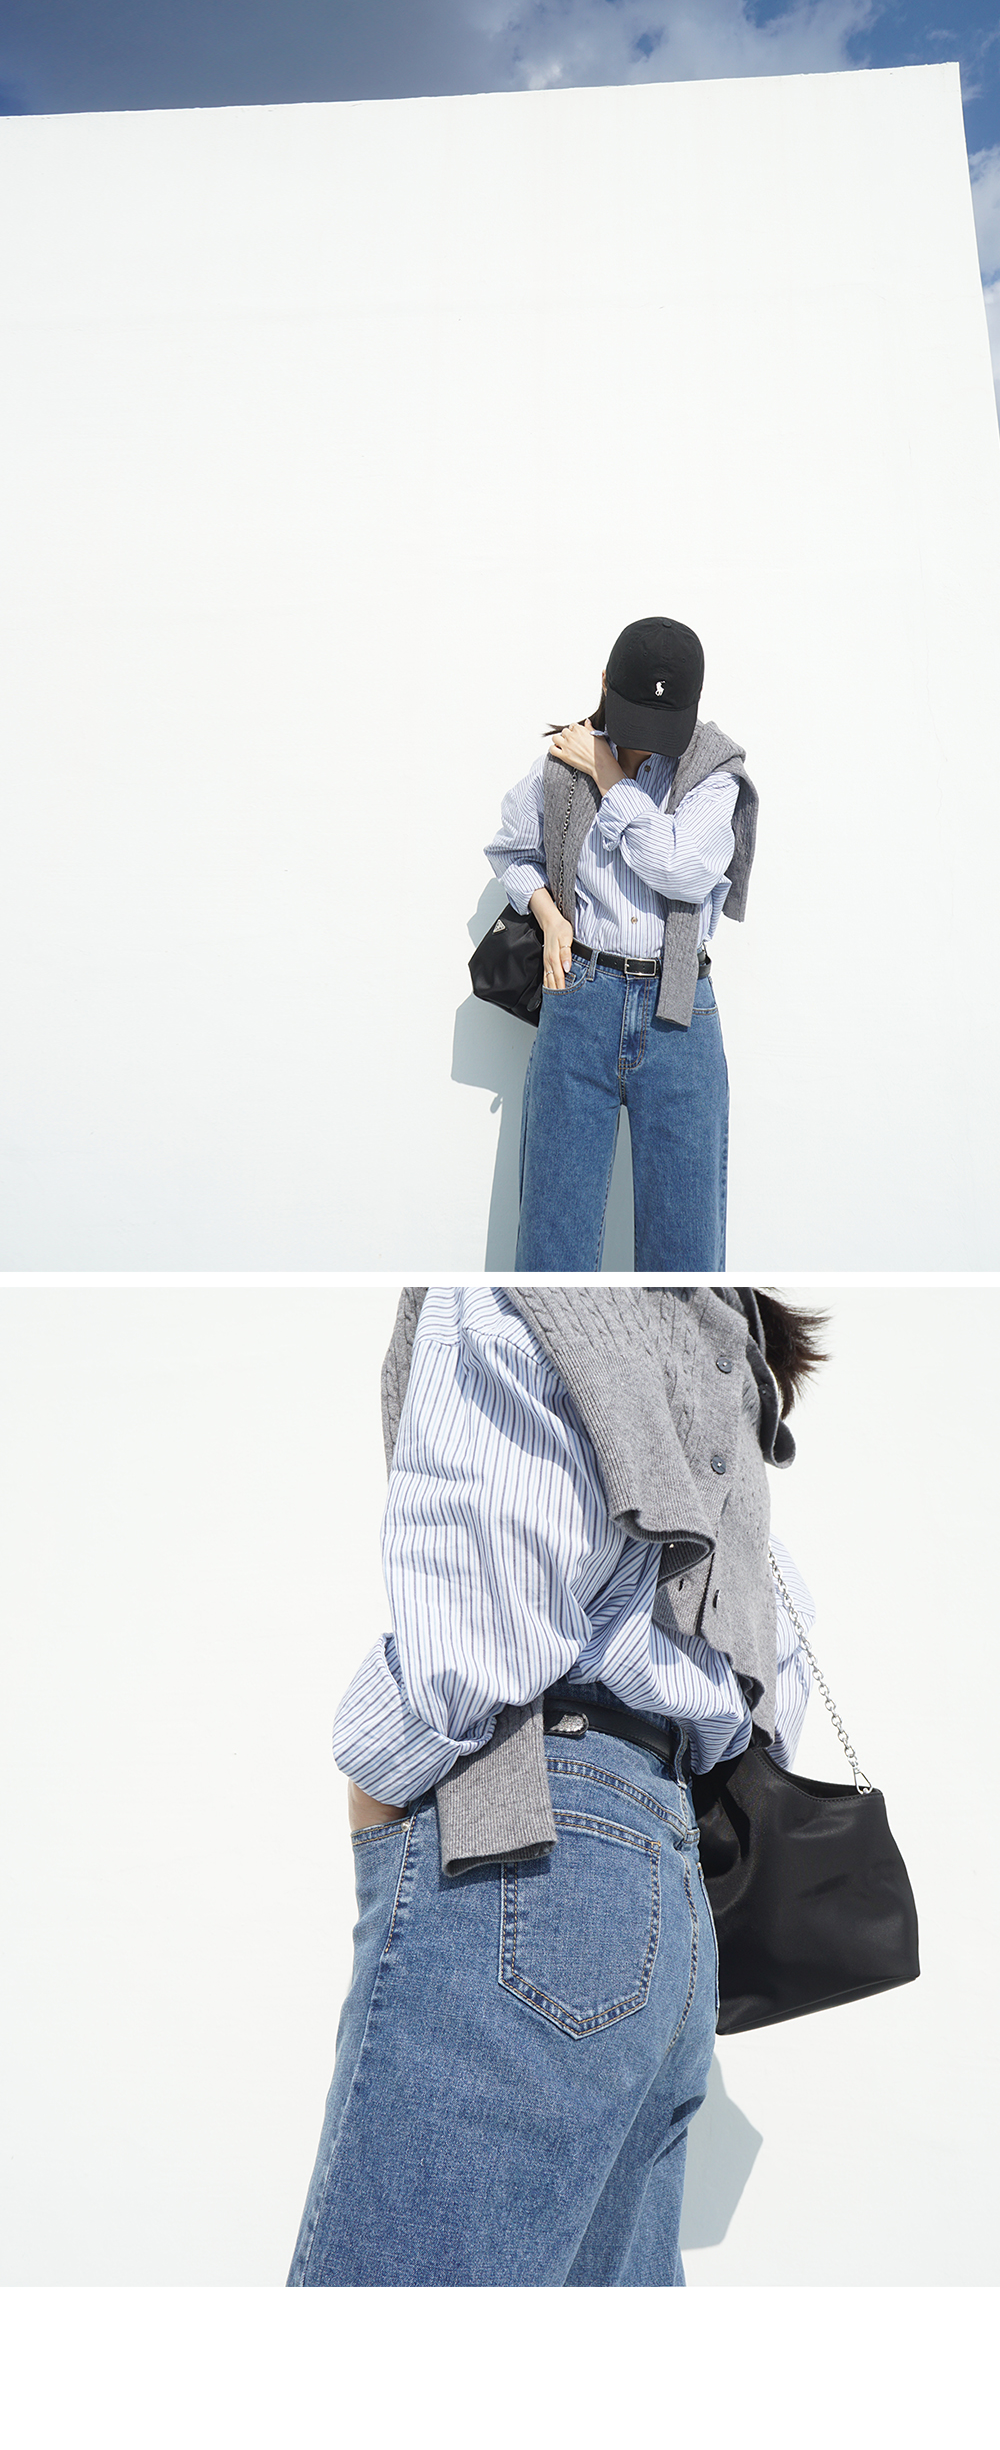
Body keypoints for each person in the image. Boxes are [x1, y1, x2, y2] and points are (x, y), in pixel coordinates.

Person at [287, 1277, 822, 2291]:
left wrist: (375, 1787)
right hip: (671, 1891)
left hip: (522, 1843)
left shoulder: (516, 1292)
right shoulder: (725, 1338)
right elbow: (773, 1677)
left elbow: (480, 1621)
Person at [484, 612, 756, 1271]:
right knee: (552, 1247)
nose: (648, 741)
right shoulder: (561, 764)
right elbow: (512, 851)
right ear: (605, 682)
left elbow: (682, 869)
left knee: (685, 1255)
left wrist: (611, 778)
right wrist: (550, 916)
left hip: (678, 1010)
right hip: (579, 999)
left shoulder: (714, 771)